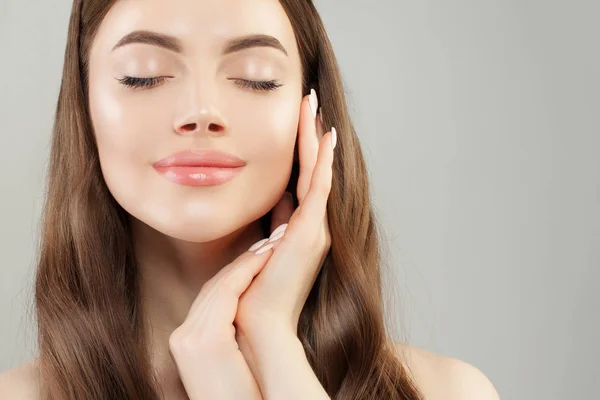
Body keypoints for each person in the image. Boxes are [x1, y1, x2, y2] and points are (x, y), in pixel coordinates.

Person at [0, 0, 500, 399]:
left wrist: (270, 341)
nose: (201, 111)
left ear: (311, 110)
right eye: (143, 74)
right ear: (83, 105)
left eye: (255, 76)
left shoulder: (445, 392)